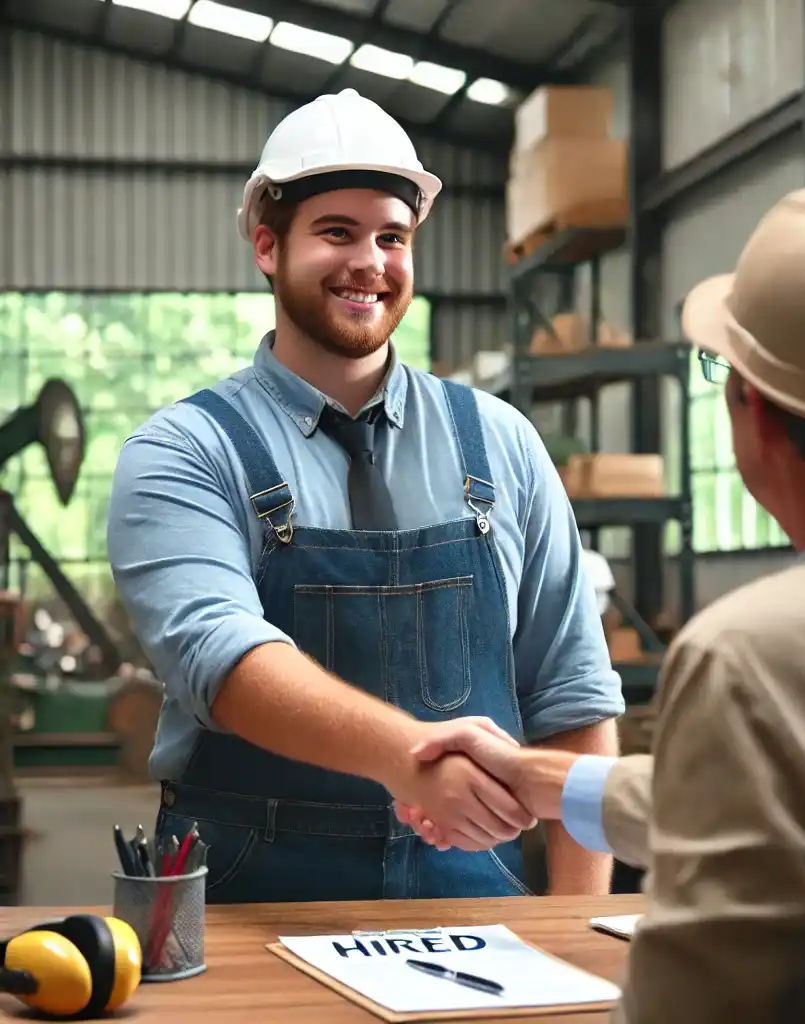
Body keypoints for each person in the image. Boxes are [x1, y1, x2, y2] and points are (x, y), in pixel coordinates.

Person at [395, 173, 805, 1022]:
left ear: (751, 408)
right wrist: (544, 780)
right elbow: (794, 801)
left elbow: (697, 998)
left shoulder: (751, 657)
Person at [105, 88, 624, 904]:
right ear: (268, 247)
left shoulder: (503, 444)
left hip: (470, 885)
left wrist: (577, 925)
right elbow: (225, 660)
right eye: (337, 233)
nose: (370, 263)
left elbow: (570, 694)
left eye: (392, 236)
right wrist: (415, 760)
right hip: (251, 887)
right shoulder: (184, 452)